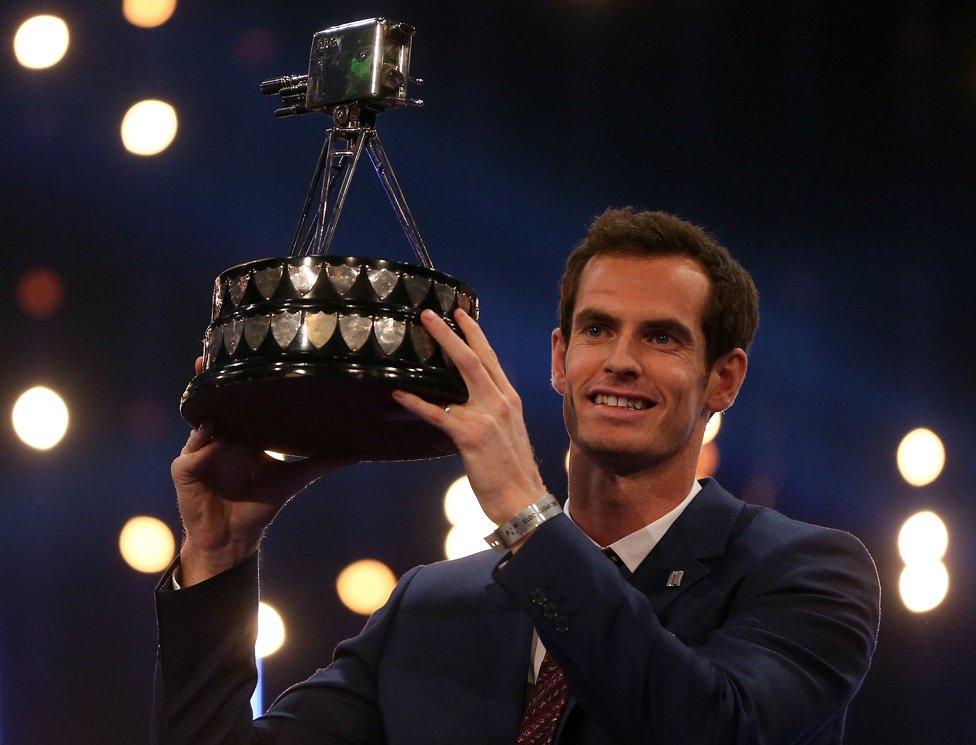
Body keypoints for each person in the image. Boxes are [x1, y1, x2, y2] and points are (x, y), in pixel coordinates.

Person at [153, 208, 880, 744]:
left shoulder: (806, 572)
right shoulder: (429, 607)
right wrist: (219, 560)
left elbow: (707, 728)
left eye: (661, 337)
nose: (620, 360)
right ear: (560, 359)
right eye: (598, 329)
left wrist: (525, 510)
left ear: (723, 378)